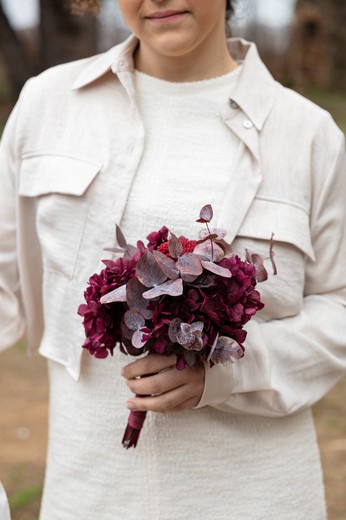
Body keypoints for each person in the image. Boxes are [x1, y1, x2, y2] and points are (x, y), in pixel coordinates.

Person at [0, 1, 345, 519]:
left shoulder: (309, 135)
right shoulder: (49, 106)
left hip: (258, 498)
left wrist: (224, 371)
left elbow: (339, 306)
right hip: (89, 494)